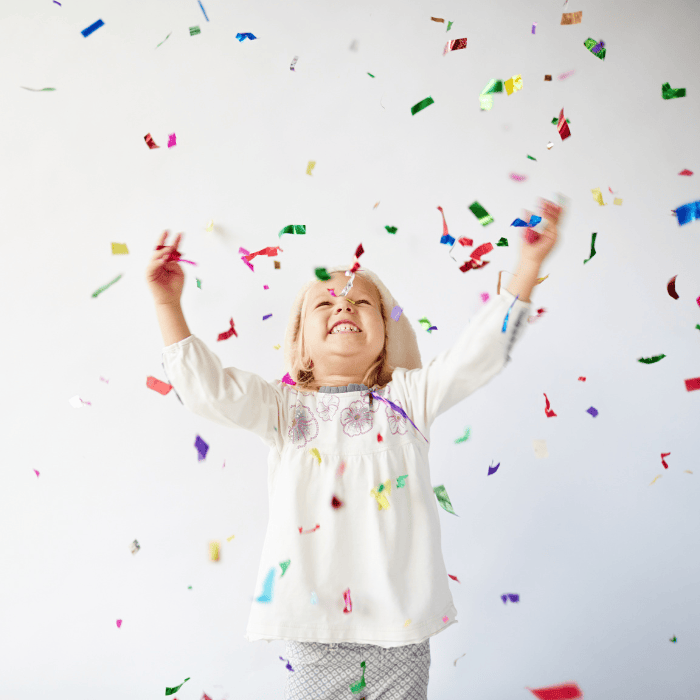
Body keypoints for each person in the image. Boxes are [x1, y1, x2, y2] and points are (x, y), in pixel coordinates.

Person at [145, 197, 564, 699]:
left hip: (400, 634)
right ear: (300, 345)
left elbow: (479, 354)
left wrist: (528, 266)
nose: (343, 304)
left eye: (361, 301)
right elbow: (208, 390)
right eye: (325, 302)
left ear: (387, 336)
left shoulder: (410, 399)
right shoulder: (282, 410)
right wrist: (168, 305)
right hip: (314, 633)